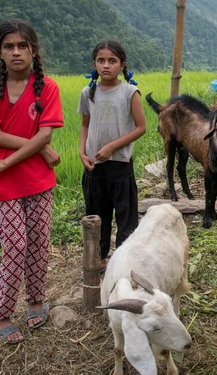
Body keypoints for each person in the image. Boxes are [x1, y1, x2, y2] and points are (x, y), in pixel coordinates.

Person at [0, 19, 63, 344]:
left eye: (22, 46)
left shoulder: (47, 88)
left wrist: (6, 160)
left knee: (39, 242)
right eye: (8, 46)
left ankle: (36, 300)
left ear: (33, 50)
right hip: (5, 184)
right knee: (15, 246)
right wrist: (42, 149)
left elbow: (45, 133)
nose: (15, 52)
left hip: (37, 180)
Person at [78, 40, 146, 270]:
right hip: (94, 165)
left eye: (112, 61)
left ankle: (125, 264)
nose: (106, 65)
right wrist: (82, 152)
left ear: (122, 65)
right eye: (101, 60)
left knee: (126, 217)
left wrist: (112, 147)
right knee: (98, 215)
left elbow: (140, 127)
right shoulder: (88, 93)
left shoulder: (129, 92)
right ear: (94, 64)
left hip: (120, 164)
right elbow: (85, 125)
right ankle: (98, 260)